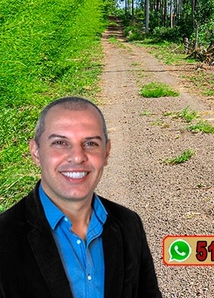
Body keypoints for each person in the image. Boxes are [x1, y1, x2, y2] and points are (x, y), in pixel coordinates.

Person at [0, 96, 162, 298]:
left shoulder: (129, 224)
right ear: (36, 151)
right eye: (60, 142)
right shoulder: (4, 236)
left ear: (106, 152)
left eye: (91, 143)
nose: (77, 157)